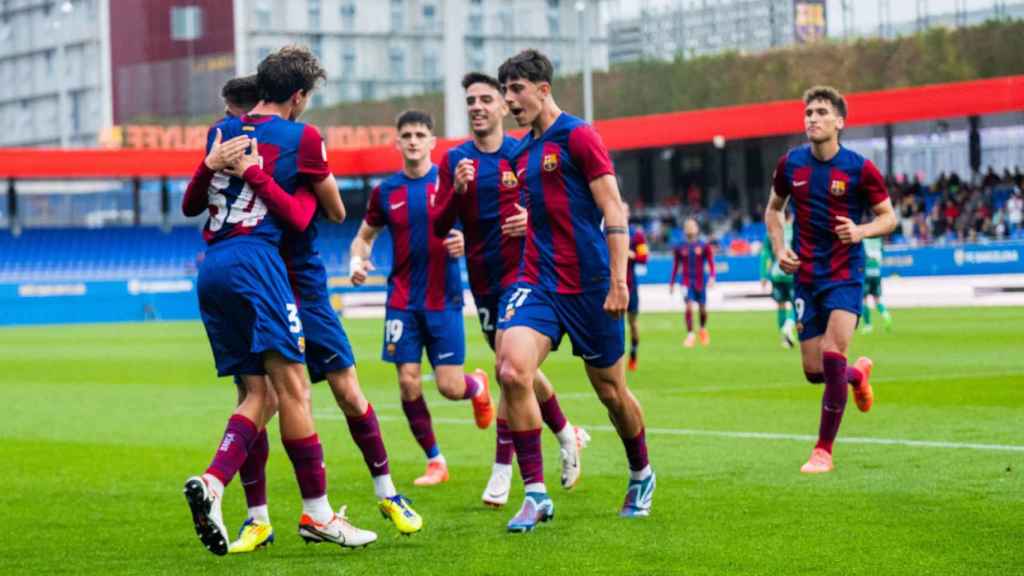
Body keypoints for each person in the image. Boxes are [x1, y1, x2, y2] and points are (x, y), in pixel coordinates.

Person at [209, 75, 423, 552]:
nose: (230, 122)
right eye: (228, 115)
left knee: (348, 391)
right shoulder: (230, 157)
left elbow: (328, 211)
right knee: (256, 398)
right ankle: (257, 518)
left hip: (303, 286)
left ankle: (388, 492)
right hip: (260, 285)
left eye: (233, 113)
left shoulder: (296, 147)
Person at [179, 45, 376, 555]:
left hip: (212, 269)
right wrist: (265, 178)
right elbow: (304, 217)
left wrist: (210, 165)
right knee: (295, 392)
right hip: (259, 267)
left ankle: (214, 483)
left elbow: (189, 206)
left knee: (256, 395)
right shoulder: (303, 137)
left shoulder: (222, 132)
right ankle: (317, 514)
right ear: (298, 96)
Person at [496, 49, 654, 532]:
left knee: (611, 393)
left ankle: (641, 472)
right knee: (511, 370)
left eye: (517, 89)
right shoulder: (521, 152)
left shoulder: (580, 136)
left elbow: (613, 208)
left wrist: (618, 280)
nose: (509, 100)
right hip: (538, 280)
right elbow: (547, 210)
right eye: (506, 91)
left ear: (543, 89)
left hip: (590, 287)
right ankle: (536, 494)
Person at [433, 72, 590, 509]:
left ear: (503, 107)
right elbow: (439, 225)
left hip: (524, 276)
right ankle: (566, 433)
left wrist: (531, 220)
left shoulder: (522, 153)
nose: (478, 106)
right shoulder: (455, 161)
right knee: (518, 371)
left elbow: (552, 208)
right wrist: (457, 193)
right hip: (482, 281)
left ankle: (503, 473)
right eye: (471, 100)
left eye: (487, 98)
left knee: (508, 371)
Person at [349, 109, 493, 487]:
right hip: (401, 300)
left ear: (432, 142)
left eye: (420, 135)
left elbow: (480, 231)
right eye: (407, 135)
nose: (413, 141)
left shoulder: (451, 185)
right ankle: (436, 461)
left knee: (449, 387)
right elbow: (364, 236)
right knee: (408, 383)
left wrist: (467, 241)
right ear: (397, 142)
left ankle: (476, 385)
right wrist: (357, 262)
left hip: (443, 299)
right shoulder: (385, 192)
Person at [765, 85, 897, 474]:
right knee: (814, 372)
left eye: (821, 112)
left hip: (845, 274)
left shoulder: (859, 168)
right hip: (806, 276)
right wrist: (778, 249)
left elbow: (889, 217)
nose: (813, 119)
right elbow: (773, 210)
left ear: (839, 121)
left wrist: (859, 231)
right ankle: (858, 376)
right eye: (808, 113)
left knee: (833, 354)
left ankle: (823, 450)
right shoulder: (791, 164)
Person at [670, 219, 716, 347]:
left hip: (700, 282)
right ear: (684, 230)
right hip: (685, 282)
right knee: (688, 306)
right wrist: (672, 283)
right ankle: (690, 334)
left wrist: (712, 277)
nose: (690, 228)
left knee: (702, 309)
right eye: (687, 226)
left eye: (692, 226)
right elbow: (675, 266)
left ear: (697, 229)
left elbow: (711, 263)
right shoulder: (679, 247)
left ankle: (702, 329)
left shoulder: (704, 246)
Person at [760, 211, 797, 348]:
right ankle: (789, 325)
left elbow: (765, 254)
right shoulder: (796, 231)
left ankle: (784, 338)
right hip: (793, 272)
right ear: (790, 216)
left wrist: (763, 275)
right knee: (797, 304)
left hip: (777, 273)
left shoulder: (772, 232)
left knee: (781, 304)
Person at [624, 202, 649, 370]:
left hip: (630, 286)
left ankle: (633, 353)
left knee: (632, 322)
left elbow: (644, 258)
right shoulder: (605, 232)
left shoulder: (636, 235)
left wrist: (630, 254)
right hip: (610, 286)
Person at [860, 236, 892, 333]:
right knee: (877, 300)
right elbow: (882, 253)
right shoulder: (879, 240)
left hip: (866, 273)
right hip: (877, 272)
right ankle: (886, 315)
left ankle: (868, 325)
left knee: (864, 300)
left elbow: (861, 256)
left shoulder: (863, 239)